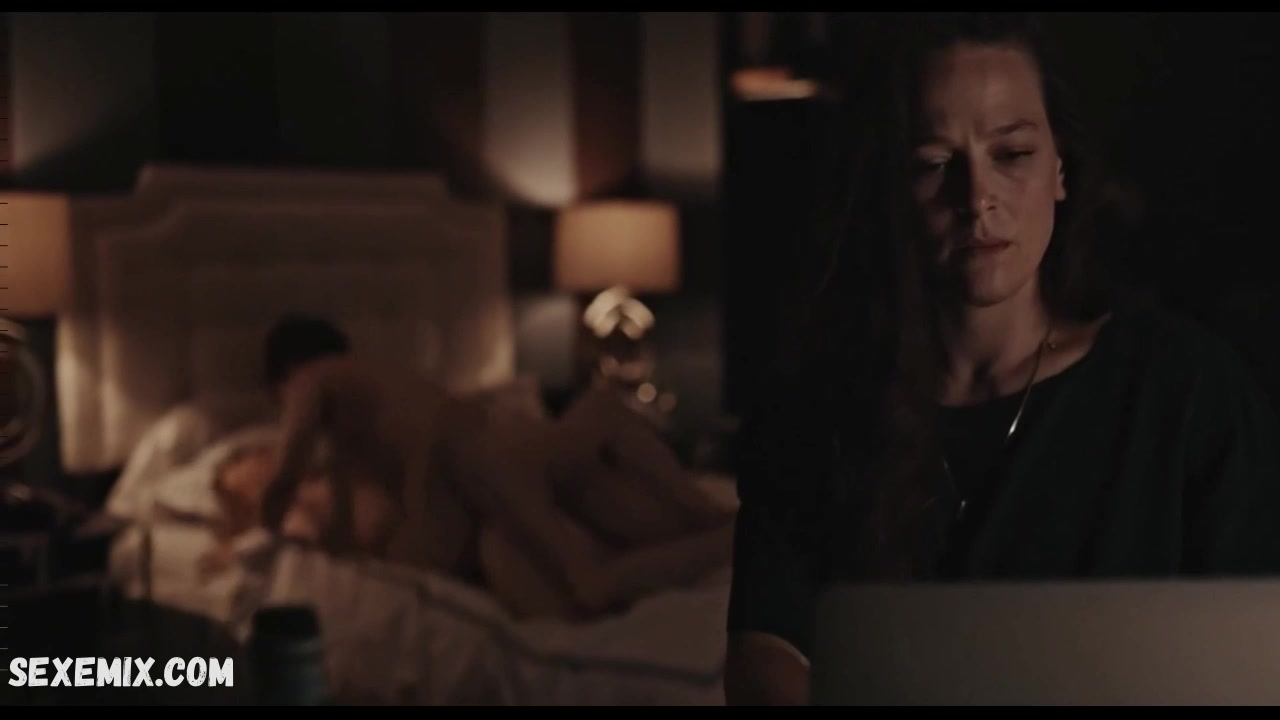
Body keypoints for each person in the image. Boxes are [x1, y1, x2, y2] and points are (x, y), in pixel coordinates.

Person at [723, 12, 1280, 705]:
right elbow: (766, 653)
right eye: (933, 164)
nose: (975, 197)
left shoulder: (1184, 392)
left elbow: (1255, 646)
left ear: (1060, 171)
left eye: (1011, 154)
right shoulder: (814, 411)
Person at [255, 313, 736, 619]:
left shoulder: (313, 379)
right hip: (498, 450)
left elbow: (284, 478)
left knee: (588, 581)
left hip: (474, 458)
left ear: (285, 375)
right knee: (597, 440)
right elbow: (346, 533)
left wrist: (261, 534)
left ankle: (719, 534)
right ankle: (711, 525)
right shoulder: (365, 414)